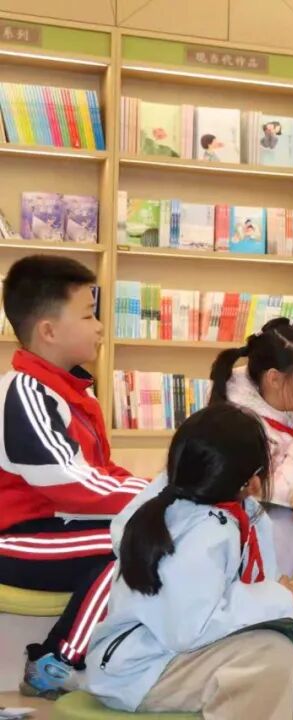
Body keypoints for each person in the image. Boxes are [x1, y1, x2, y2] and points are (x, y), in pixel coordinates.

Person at [85, 404, 293, 719]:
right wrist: (278, 597)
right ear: (247, 478)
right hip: (142, 668)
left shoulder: (244, 515)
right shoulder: (198, 528)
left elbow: (258, 588)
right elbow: (188, 630)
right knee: (269, 657)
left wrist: (279, 595)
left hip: (187, 651)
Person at [0, 255, 148, 697]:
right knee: (134, 540)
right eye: (88, 315)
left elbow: (101, 473)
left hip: (52, 532)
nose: (100, 327)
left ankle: (87, 660)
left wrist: (159, 494)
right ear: (48, 331)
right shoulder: (25, 390)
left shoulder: (75, 393)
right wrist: (161, 496)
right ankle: (56, 662)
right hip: (13, 538)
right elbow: (71, 483)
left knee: (144, 534)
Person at [209, 316, 293, 576]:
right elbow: (269, 493)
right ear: (275, 379)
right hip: (258, 547)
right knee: (282, 522)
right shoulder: (241, 424)